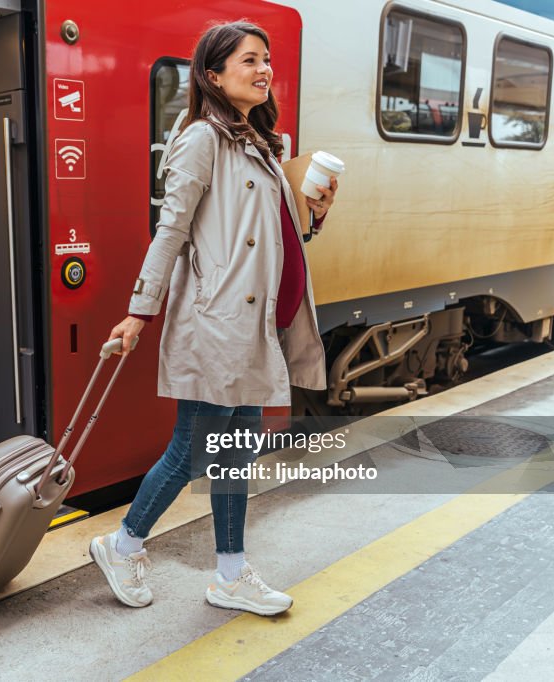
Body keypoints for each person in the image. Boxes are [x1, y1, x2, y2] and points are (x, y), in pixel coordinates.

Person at [89, 20, 337, 616]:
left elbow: (274, 239)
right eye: (249, 60)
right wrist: (138, 311)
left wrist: (317, 214)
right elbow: (169, 231)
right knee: (195, 448)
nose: (263, 69)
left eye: (267, 59)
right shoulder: (203, 138)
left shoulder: (255, 140)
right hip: (217, 322)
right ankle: (122, 545)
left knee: (234, 447)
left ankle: (230, 574)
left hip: (253, 328)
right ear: (213, 74)